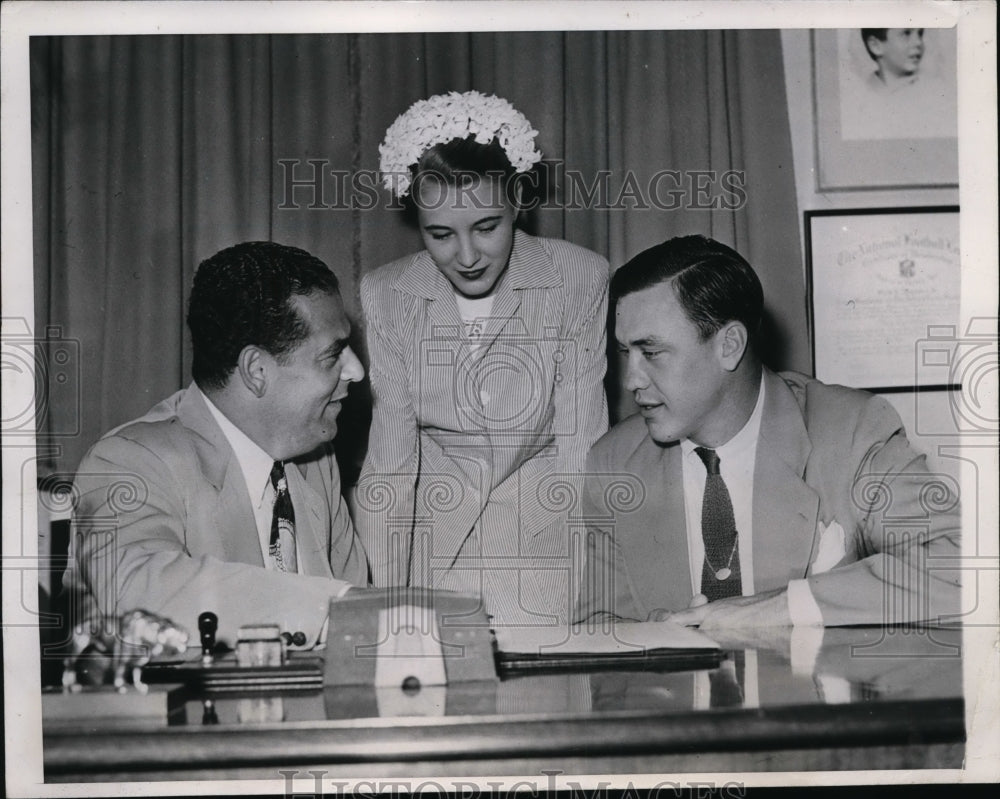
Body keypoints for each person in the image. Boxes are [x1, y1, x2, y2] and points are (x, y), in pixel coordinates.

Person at [576, 235, 960, 629]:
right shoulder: (614, 461)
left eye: (651, 353)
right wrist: (652, 640)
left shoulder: (852, 431)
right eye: (626, 353)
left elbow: (961, 567)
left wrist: (784, 607)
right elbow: (599, 625)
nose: (631, 381)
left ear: (729, 345)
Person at [356, 90, 609, 627]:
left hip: (547, 564)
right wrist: (384, 603)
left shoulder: (577, 278)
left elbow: (581, 448)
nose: (466, 257)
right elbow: (391, 466)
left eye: (487, 227)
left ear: (517, 203)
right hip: (430, 564)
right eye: (440, 234)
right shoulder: (388, 294)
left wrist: (593, 596)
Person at [64, 241, 369, 648]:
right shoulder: (129, 461)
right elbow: (137, 596)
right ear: (257, 370)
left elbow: (358, 632)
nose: (357, 369)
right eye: (333, 355)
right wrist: (338, 607)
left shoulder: (315, 454)